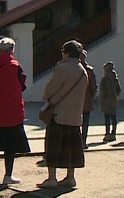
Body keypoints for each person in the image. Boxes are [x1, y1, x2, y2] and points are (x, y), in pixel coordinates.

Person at [37, 40, 88, 189]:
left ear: (66, 52)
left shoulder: (62, 69)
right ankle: (70, 177)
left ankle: (52, 178)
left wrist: (48, 98)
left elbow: (49, 91)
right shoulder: (82, 70)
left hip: (58, 114)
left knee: (53, 146)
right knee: (71, 148)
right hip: (75, 115)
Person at [0, 37, 31, 185]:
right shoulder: (14, 66)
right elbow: (23, 85)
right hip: (11, 111)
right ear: (11, 50)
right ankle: (8, 175)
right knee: (10, 146)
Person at [98, 61, 121, 142]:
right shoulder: (115, 78)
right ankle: (113, 133)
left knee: (107, 118)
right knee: (114, 117)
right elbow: (119, 89)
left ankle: (107, 134)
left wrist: (101, 99)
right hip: (114, 100)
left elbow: (102, 91)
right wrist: (116, 96)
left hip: (106, 101)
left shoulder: (104, 79)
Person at [80, 50, 97, 149]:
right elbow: (93, 86)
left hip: (74, 101)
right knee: (85, 122)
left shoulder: (74, 69)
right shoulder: (89, 70)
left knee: (74, 122)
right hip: (86, 100)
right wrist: (91, 96)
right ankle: (83, 141)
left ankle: (76, 142)